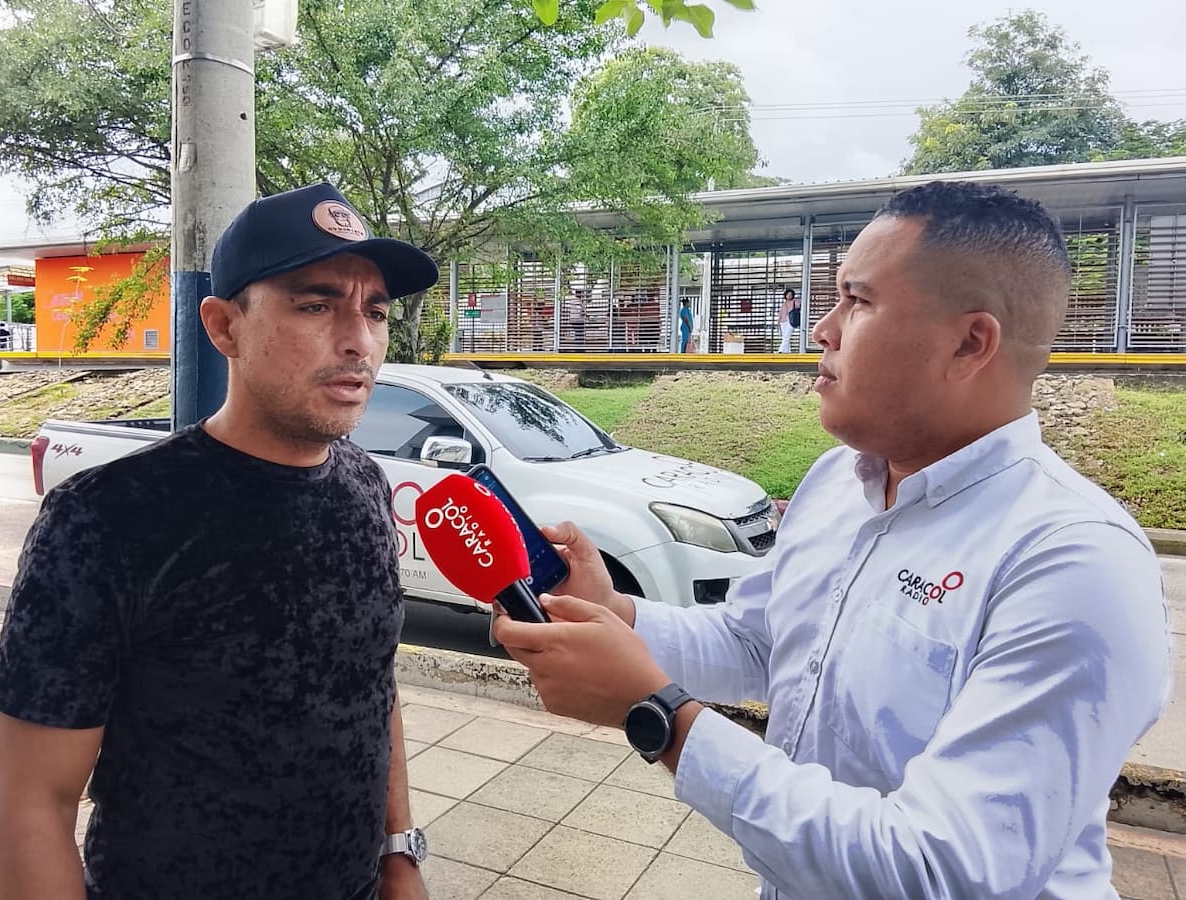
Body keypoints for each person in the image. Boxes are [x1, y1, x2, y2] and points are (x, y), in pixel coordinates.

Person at [494, 181, 1171, 899]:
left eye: (860, 300)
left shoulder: (1072, 560)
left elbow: (942, 870)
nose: (823, 327)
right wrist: (617, 615)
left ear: (970, 342)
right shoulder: (835, 482)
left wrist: (659, 717)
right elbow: (762, 643)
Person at [0, 183, 438, 900]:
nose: (358, 340)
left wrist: (398, 856)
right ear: (224, 327)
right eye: (316, 304)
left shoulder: (365, 488)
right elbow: (28, 802)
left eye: (375, 310)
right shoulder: (107, 519)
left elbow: (372, 687)